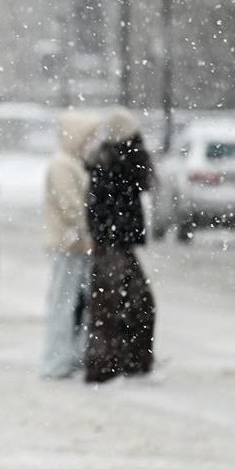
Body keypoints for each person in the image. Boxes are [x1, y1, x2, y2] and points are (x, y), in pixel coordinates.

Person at [83, 107, 157, 384]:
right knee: (115, 306)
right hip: (114, 244)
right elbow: (105, 207)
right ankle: (112, 365)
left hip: (114, 243)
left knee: (121, 305)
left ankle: (118, 363)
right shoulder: (118, 163)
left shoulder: (113, 162)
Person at [41, 110, 99, 380]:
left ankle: (72, 356)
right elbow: (71, 206)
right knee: (64, 304)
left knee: (77, 303)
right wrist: (88, 229)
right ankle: (57, 361)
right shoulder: (63, 165)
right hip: (69, 245)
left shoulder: (72, 163)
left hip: (77, 244)